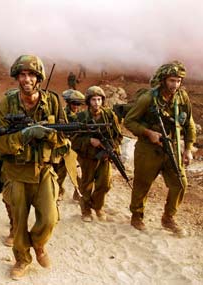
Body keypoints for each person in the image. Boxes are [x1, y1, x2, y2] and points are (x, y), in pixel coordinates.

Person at [0, 55, 69, 280]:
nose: (26, 79)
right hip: (16, 171)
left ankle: (38, 244)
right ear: (17, 78)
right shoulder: (7, 103)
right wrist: (25, 135)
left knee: (50, 217)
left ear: (39, 78)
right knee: (18, 221)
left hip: (44, 169)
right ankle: (22, 259)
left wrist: (50, 136)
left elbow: (64, 135)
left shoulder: (53, 101)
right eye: (22, 75)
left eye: (31, 75)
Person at [124, 61, 196, 235]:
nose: (175, 85)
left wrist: (188, 148)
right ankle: (137, 216)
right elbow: (129, 121)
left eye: (178, 81)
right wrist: (148, 133)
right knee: (142, 184)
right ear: (163, 80)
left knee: (180, 182)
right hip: (148, 148)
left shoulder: (182, 97)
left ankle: (168, 218)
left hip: (171, 146)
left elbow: (189, 123)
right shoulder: (148, 98)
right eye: (172, 80)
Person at [71, 86, 123, 222]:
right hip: (87, 156)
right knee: (86, 185)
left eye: (99, 99)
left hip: (105, 156)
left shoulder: (110, 115)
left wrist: (111, 149)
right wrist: (89, 141)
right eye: (93, 100)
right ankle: (86, 210)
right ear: (88, 101)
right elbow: (73, 140)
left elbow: (118, 136)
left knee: (105, 184)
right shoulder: (81, 117)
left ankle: (98, 206)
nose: (97, 103)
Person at [55, 89, 86, 201]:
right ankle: (58, 192)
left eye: (79, 104)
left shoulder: (82, 116)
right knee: (60, 172)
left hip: (78, 147)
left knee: (79, 173)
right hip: (65, 146)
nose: (76, 106)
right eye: (74, 104)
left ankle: (77, 194)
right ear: (69, 103)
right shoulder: (62, 114)